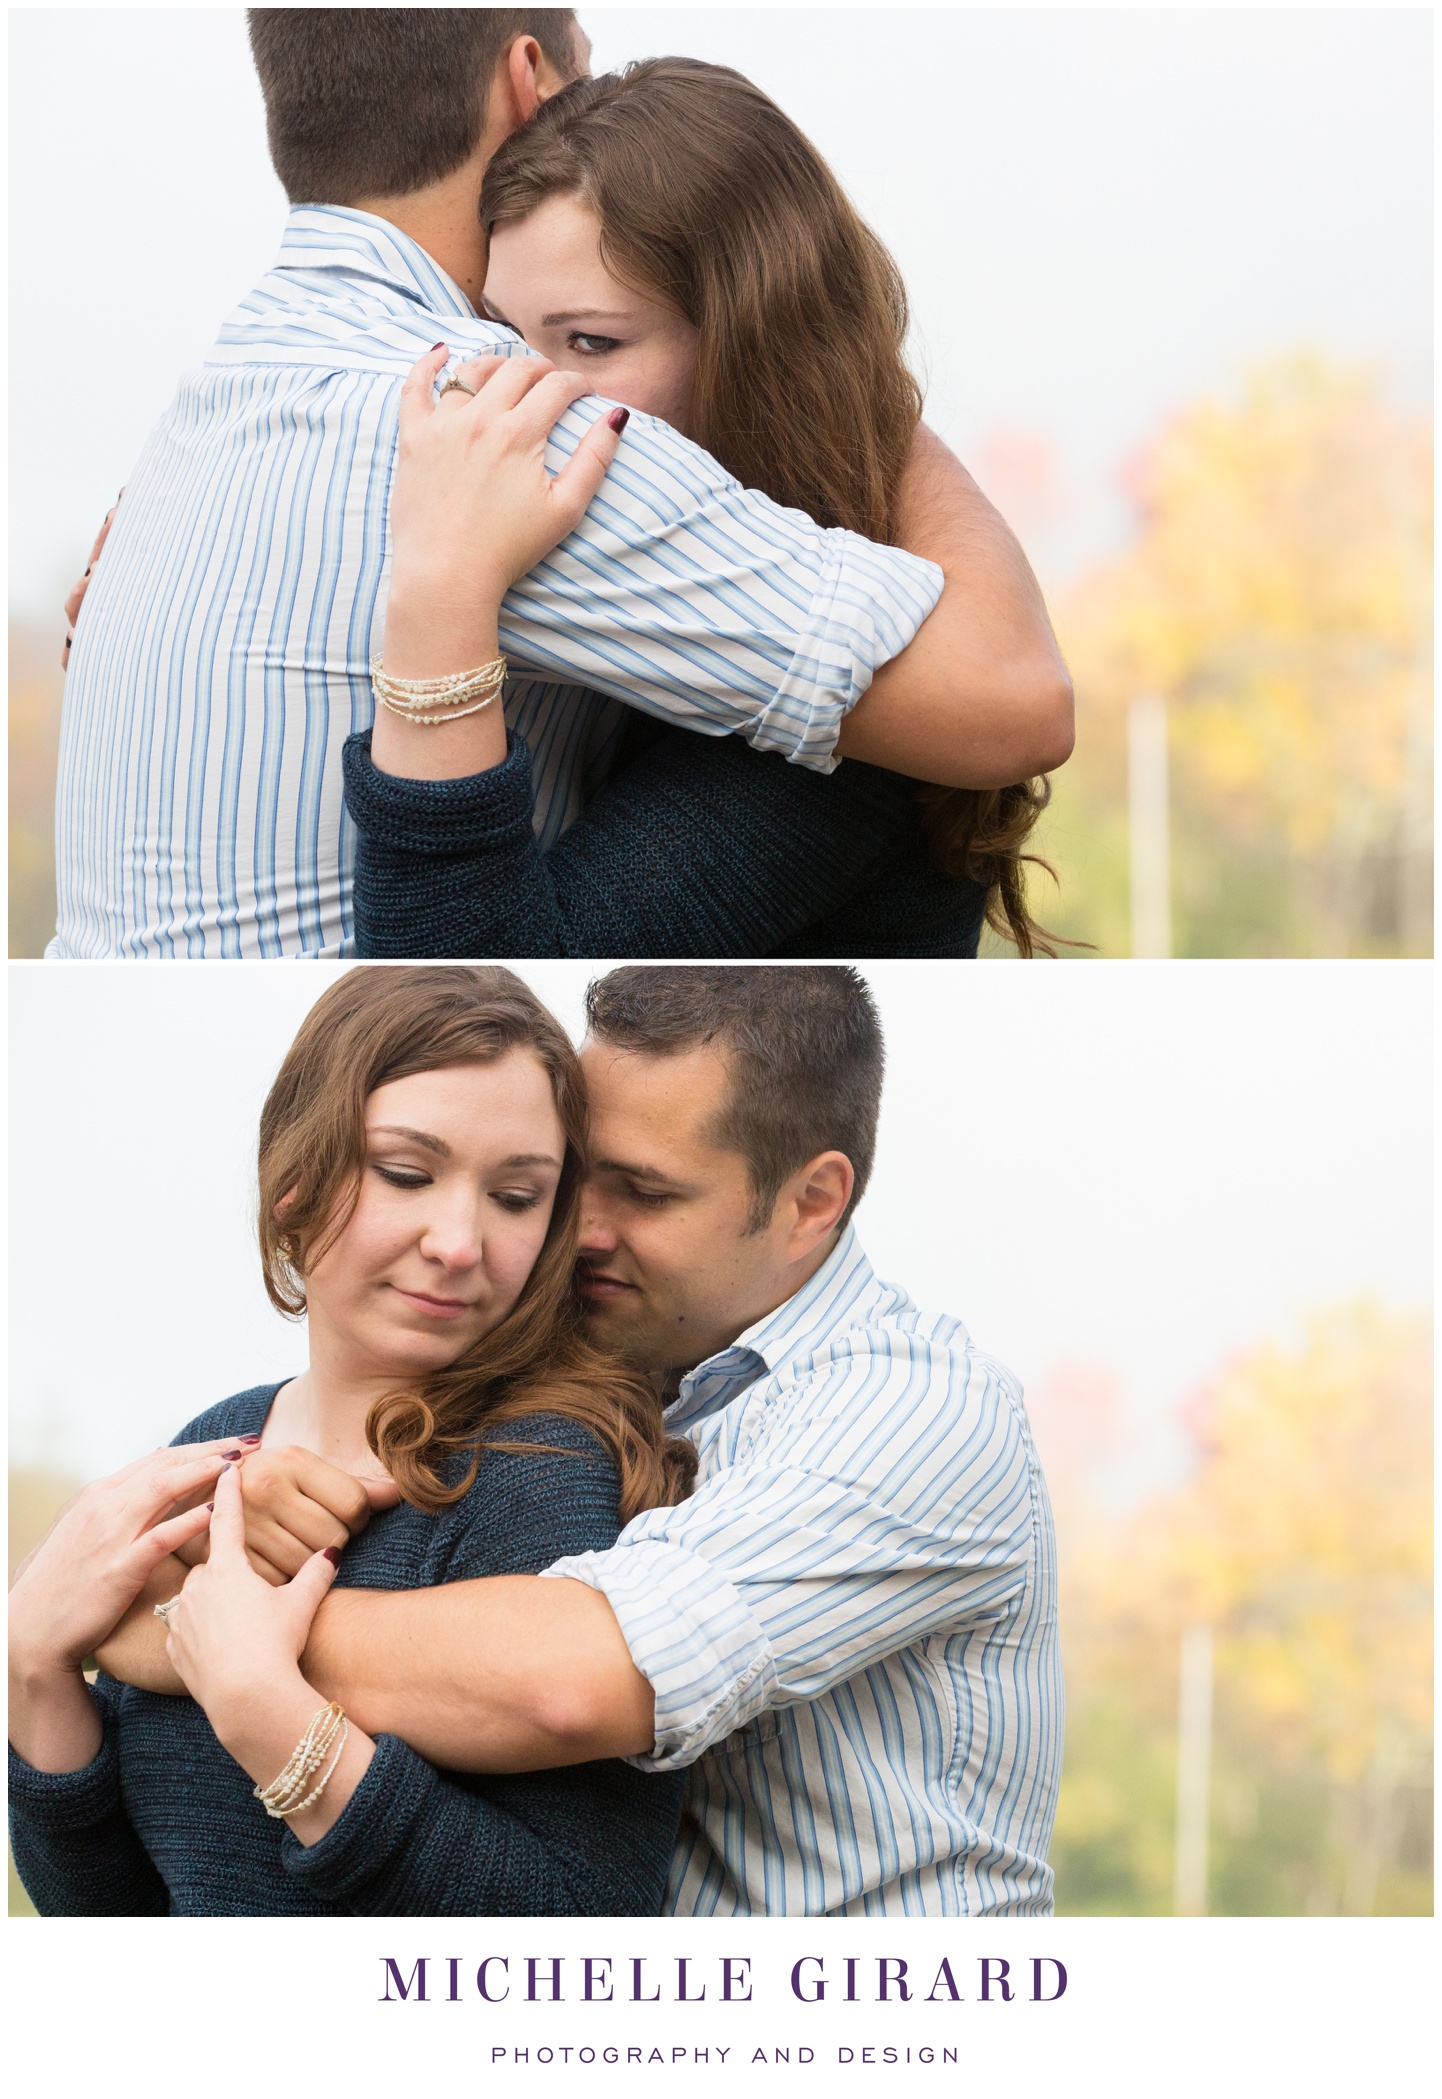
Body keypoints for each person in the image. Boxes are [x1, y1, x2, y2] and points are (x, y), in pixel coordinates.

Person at [51, 9, 1071, 960]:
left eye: (587, 338)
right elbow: (1011, 693)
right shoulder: (509, 430)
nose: (544, 374)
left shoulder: (207, 413)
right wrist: (854, 386)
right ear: (527, 75)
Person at [98, 966, 1063, 1916]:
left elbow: (578, 1676)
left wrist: (193, 1620)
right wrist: (245, 1515)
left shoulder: (914, 1406)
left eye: (643, 1192)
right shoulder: (618, 1356)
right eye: (570, 1181)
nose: (580, 1229)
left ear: (810, 1201)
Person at [7, 966, 693, 1916]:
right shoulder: (213, 1445)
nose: (459, 1240)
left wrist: (279, 1728)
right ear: (294, 1181)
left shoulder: (542, 1473)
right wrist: (33, 1667)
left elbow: (583, 1921)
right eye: (406, 1173)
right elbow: (115, 1916)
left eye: (515, 1196)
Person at [346, 58, 1064, 960]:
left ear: (753, 346)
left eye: (592, 341)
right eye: (497, 332)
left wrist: (437, 597)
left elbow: (473, 994)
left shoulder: (833, 716)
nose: (521, 391)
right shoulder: (686, 596)